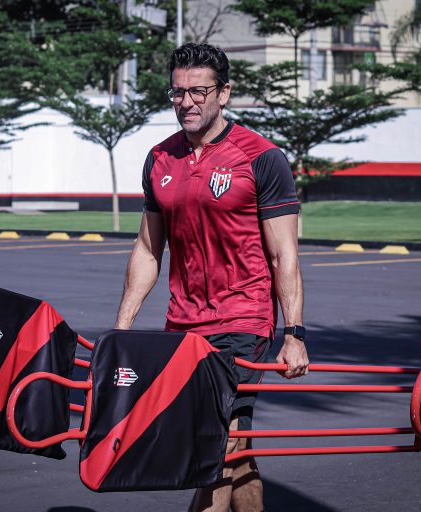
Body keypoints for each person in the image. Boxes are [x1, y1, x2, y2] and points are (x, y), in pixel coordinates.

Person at [114, 43, 309, 512]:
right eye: (177, 93)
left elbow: (284, 254)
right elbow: (147, 248)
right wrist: (122, 328)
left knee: (215, 448)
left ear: (224, 92)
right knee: (236, 447)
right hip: (184, 327)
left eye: (198, 91)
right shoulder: (159, 160)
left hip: (244, 321)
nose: (187, 102)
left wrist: (294, 333)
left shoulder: (262, 158)